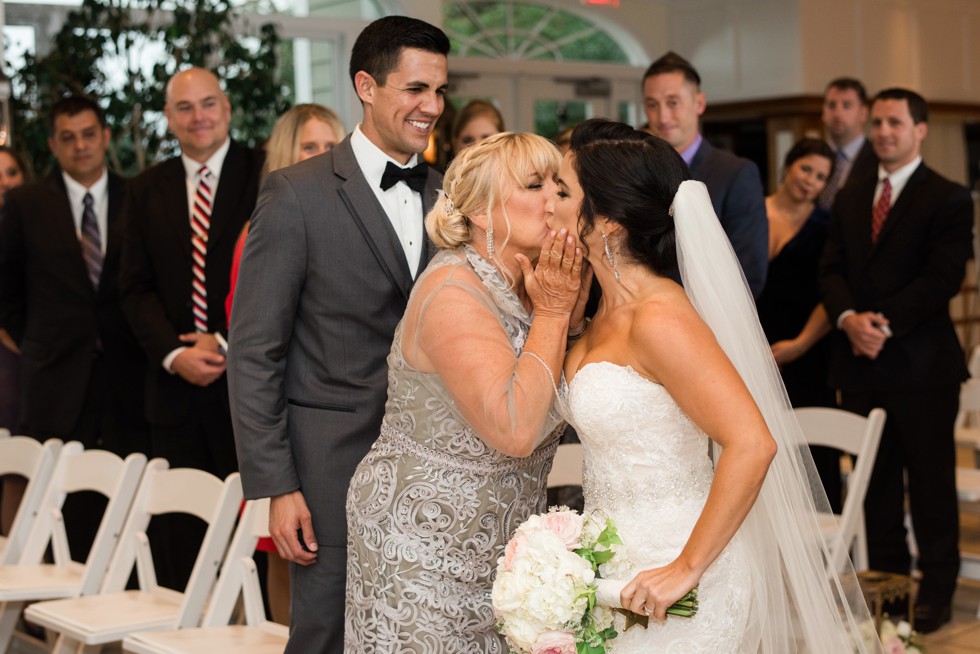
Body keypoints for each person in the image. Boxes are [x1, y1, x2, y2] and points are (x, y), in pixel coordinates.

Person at [555, 119, 877, 652]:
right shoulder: (600, 310)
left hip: (677, 572)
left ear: (608, 220)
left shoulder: (660, 318)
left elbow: (753, 443)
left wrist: (685, 567)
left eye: (563, 191)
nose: (547, 200)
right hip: (611, 560)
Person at [227, 16, 450, 653]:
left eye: (438, 90)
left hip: (430, 471)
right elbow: (254, 351)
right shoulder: (295, 194)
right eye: (414, 89)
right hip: (328, 472)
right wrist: (278, 484)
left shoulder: (450, 195)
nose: (430, 106)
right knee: (325, 635)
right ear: (366, 86)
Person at [346, 131, 585, 652]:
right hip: (421, 541)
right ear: (479, 210)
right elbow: (516, 427)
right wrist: (554, 314)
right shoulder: (452, 290)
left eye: (558, 185)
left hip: (508, 548)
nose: (554, 199)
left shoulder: (536, 282)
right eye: (534, 184)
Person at [820, 88, 972, 633]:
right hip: (860, 364)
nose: (885, 131)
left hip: (922, 366)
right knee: (876, 487)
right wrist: (847, 321)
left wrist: (880, 323)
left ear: (920, 129)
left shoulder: (949, 197)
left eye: (896, 122)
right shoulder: (853, 195)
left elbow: (944, 278)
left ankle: (935, 591)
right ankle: (889, 590)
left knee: (930, 485)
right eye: (878, 121)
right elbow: (831, 269)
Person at [120, 67, 265, 590]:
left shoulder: (267, 173)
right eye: (185, 107)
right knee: (179, 535)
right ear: (169, 118)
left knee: (255, 535)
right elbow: (132, 287)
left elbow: (277, 276)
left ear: (226, 109)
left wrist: (227, 341)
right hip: (173, 390)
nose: (198, 116)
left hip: (249, 387)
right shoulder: (143, 190)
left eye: (208, 103)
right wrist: (172, 354)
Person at [0, 96, 149, 560]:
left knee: (127, 503)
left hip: (128, 379)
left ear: (105, 136)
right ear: (53, 144)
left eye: (88, 134)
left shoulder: (139, 195)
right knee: (59, 510)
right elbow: (6, 292)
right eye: (68, 137)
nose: (80, 145)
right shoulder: (25, 204)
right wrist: (37, 343)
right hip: (54, 380)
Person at [223, 102, 345, 626]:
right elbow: (251, 339)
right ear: (284, 154)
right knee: (285, 554)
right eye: (308, 146)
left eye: (329, 147)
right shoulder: (266, 225)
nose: (320, 157)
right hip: (289, 421)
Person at [756, 138, 841, 511]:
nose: (811, 181)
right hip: (753, 343)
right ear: (788, 166)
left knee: (812, 444)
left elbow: (832, 294)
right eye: (806, 169)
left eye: (821, 177)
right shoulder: (752, 212)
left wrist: (801, 344)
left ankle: (824, 539)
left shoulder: (827, 226)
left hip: (808, 349)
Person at [641, 51, 768, 297]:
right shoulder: (639, 172)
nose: (663, 116)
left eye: (673, 102)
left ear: (699, 103)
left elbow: (749, 272)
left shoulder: (736, 174)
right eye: (652, 105)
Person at [0, 146, 30, 538]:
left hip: (17, 363)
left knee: (16, 466)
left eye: (11, 172)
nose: (4, 183)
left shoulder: (30, 223)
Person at [818, 77, 878, 210]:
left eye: (847, 106)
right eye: (832, 105)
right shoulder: (815, 156)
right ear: (823, 111)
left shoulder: (878, 160)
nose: (837, 114)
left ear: (863, 113)